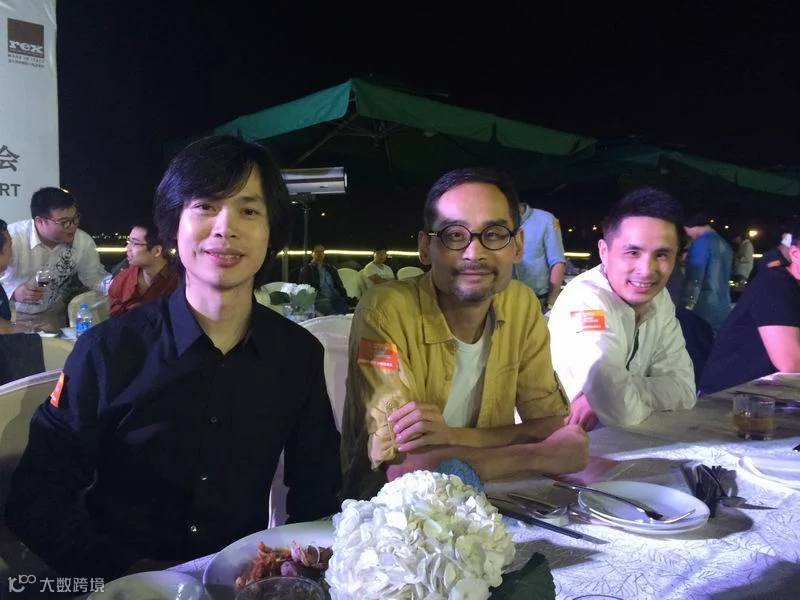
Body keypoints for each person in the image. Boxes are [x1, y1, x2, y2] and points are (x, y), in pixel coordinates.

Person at [5, 135, 342, 580]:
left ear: (271, 231)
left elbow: (317, 491)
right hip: (122, 582)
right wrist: (129, 572)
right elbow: (36, 495)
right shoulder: (109, 351)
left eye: (249, 211)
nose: (225, 228)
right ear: (173, 225)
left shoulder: (296, 354)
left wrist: (291, 574)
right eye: (205, 206)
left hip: (240, 582)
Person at [341, 167, 588, 500]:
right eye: (454, 235)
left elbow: (549, 425)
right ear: (425, 248)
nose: (475, 253)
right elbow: (404, 468)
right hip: (393, 514)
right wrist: (538, 455)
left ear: (517, 245)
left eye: (494, 234)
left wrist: (453, 437)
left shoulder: (521, 305)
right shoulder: (386, 311)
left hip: (495, 503)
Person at [547, 188, 696, 430]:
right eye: (633, 252)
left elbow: (685, 391)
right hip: (553, 442)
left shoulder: (660, 299)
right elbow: (622, 411)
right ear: (604, 252)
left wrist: (613, 394)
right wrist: (622, 396)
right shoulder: (586, 302)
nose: (646, 270)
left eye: (661, 255)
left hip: (619, 439)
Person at [699, 222, 800, 394]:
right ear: (795, 254)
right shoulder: (776, 283)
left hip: (768, 394)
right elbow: (791, 363)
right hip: (726, 398)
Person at [0, 187, 109, 332]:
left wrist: (119, 285)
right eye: (64, 222)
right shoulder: (12, 238)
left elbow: (94, 277)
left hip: (51, 315)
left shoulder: (83, 242)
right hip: (12, 316)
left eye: (75, 219)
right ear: (40, 221)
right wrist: (14, 292)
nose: (72, 227)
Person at [108, 220, 178, 316]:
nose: (127, 248)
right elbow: (115, 320)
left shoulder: (179, 282)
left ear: (157, 251)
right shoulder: (122, 280)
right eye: (129, 241)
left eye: (134, 243)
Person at [681, 213, 734, 334]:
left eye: (687, 230)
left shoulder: (700, 243)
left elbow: (695, 276)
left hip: (703, 306)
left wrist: (688, 303)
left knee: (699, 341)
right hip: (723, 305)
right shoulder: (725, 245)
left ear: (693, 226)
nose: (688, 235)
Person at [512, 202, 566, 311]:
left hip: (538, 300)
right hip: (503, 300)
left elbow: (557, 262)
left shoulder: (547, 219)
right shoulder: (497, 219)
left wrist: (550, 304)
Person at [298, 244, 350, 315]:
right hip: (319, 296)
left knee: (343, 307)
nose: (319, 254)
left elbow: (339, 284)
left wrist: (344, 296)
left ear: (324, 254)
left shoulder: (331, 268)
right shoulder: (307, 269)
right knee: (328, 308)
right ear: (312, 254)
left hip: (334, 296)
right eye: (317, 251)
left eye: (321, 251)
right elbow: (303, 287)